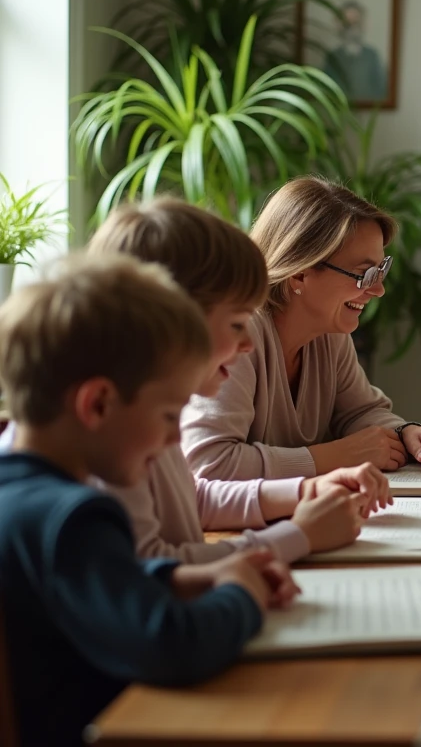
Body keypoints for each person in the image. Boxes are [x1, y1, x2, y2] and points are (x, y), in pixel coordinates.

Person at [0, 255, 299, 746]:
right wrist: (242, 592)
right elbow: (172, 643)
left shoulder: (20, 492)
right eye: (168, 417)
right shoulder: (72, 519)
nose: (169, 445)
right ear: (97, 403)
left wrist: (180, 577)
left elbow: (87, 585)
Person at [77, 200, 386, 562]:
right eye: (237, 324)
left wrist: (305, 490)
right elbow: (153, 573)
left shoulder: (143, 416)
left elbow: (195, 498)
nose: (247, 343)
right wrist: (296, 537)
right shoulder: (114, 435)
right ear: (171, 324)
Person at [182, 177, 421, 482]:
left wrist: (406, 433)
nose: (378, 290)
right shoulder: (238, 336)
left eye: (380, 270)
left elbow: (358, 413)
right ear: (299, 274)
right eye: (363, 274)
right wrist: (336, 456)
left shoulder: (330, 332)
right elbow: (209, 463)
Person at [322, 1, 387, 103]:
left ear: (363, 24)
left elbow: (380, 90)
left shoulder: (372, 55)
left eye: (356, 22)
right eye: (347, 23)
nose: (352, 27)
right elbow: (326, 90)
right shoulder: (332, 57)